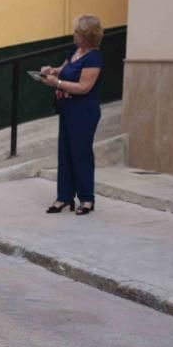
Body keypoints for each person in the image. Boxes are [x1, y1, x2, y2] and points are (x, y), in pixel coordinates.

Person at [40, 14, 105, 215]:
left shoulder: (94, 57)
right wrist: (52, 71)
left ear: (86, 35)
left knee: (81, 153)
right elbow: (63, 70)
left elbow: (84, 87)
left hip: (84, 110)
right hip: (67, 108)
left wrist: (57, 83)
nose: (74, 34)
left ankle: (86, 199)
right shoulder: (75, 51)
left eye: (77, 32)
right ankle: (64, 197)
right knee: (65, 152)